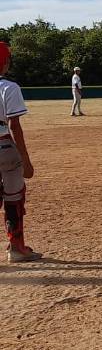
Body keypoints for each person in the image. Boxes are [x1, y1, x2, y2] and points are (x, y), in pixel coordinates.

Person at [0, 42, 41, 263]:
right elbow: (14, 126)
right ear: (5, 62)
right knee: (14, 197)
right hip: (4, 146)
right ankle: (16, 248)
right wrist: (26, 160)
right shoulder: (9, 87)